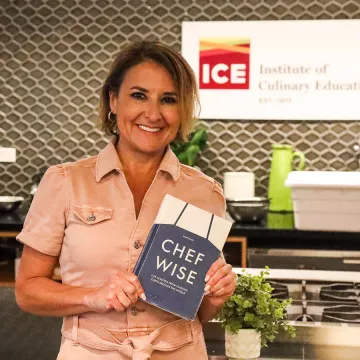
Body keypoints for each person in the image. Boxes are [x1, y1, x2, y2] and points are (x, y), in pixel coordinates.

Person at [15, 40, 237, 360]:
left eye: (169, 99)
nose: (153, 113)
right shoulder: (65, 182)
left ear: (182, 110)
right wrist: (95, 296)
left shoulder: (206, 193)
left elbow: (198, 312)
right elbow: (27, 291)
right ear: (113, 101)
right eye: (138, 95)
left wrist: (217, 294)